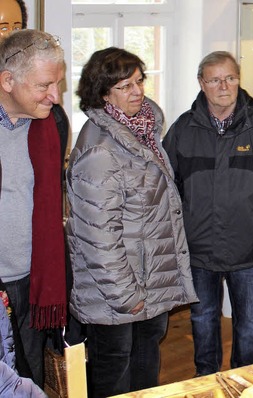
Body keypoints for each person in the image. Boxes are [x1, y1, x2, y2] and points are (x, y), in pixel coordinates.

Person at [66, 47, 198, 397]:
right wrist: (127, 296)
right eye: (125, 86)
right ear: (103, 92)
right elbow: (98, 237)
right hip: (118, 296)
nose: (138, 91)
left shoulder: (144, 132)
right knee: (113, 378)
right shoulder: (100, 150)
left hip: (149, 282)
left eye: (139, 81)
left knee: (144, 372)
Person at [163, 51, 253, 377]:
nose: (224, 86)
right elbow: (166, 186)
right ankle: (206, 378)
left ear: (239, 79)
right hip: (199, 250)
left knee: (249, 322)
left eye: (231, 78)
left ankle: (245, 379)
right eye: (215, 79)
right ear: (201, 83)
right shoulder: (183, 129)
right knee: (203, 319)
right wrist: (184, 225)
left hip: (248, 248)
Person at [0, 29, 68, 388]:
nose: (55, 96)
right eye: (44, 85)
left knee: (30, 379)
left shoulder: (53, 124)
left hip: (33, 280)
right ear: (8, 81)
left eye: (58, 83)